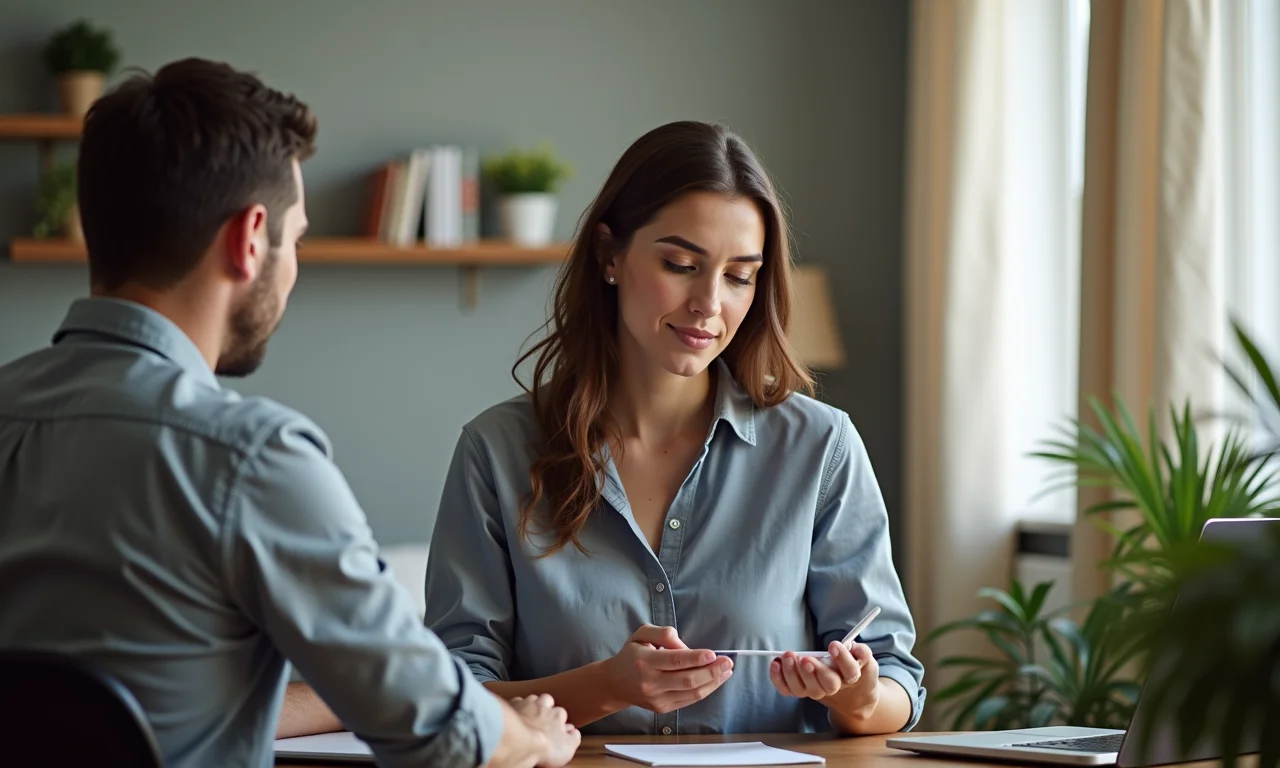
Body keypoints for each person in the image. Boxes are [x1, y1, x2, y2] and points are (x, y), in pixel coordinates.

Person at [0, 58, 578, 768]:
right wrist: (535, 741)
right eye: (294, 238)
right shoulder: (249, 458)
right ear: (249, 240)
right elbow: (437, 733)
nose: (292, 264)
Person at [424, 120, 927, 735]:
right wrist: (605, 686)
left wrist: (856, 697)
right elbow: (451, 689)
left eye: (739, 276)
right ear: (610, 256)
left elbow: (896, 678)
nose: (709, 303)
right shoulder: (496, 452)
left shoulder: (820, 447)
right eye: (681, 264)